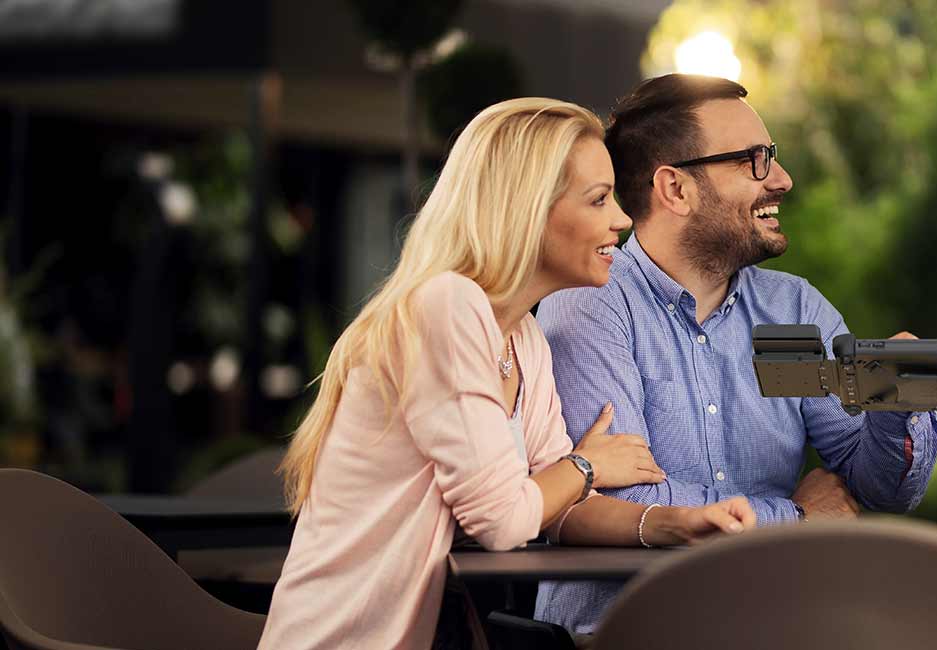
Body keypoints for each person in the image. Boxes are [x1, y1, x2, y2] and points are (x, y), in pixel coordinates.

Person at [258, 98, 756, 650]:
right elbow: (503, 520)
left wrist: (675, 523)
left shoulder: (525, 340)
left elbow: (555, 504)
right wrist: (588, 462)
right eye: (598, 199)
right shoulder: (447, 307)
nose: (621, 218)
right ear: (526, 211)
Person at [532, 74, 937, 633]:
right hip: (632, 633)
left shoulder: (792, 310)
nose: (781, 179)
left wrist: (897, 403)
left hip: (775, 627)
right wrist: (795, 516)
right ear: (675, 189)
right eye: (753, 161)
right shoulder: (591, 303)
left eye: (771, 157)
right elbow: (632, 502)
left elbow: (877, 488)